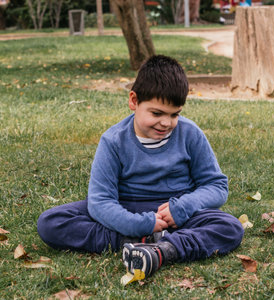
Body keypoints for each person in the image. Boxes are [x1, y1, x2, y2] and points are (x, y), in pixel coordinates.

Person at [37, 55, 244, 279]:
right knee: (51, 222)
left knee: (229, 227)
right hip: (126, 209)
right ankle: (136, 240)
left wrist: (183, 207)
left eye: (175, 114)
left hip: (176, 216)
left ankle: (163, 250)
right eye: (157, 113)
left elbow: (216, 185)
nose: (166, 123)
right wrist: (139, 225)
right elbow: (100, 202)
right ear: (134, 101)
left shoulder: (190, 133)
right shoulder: (113, 141)